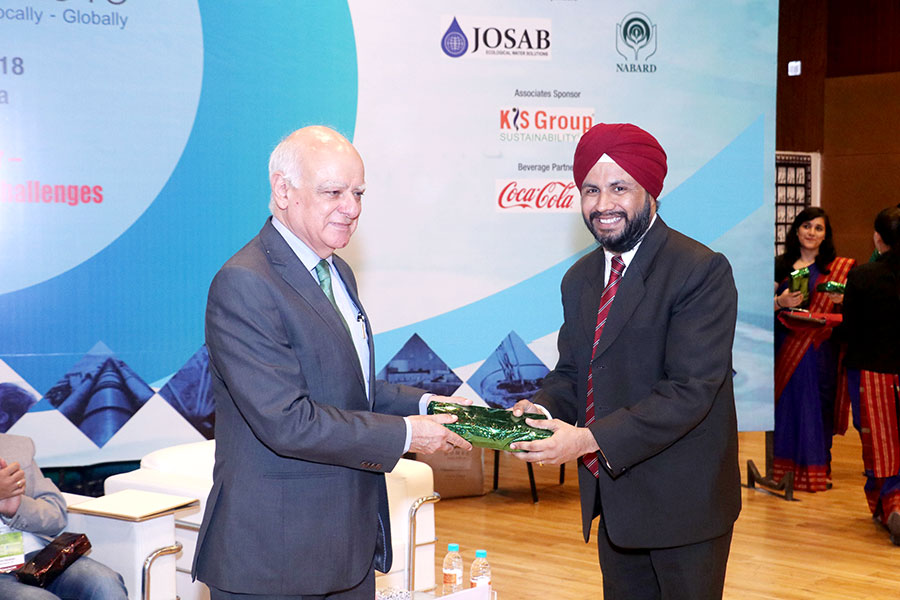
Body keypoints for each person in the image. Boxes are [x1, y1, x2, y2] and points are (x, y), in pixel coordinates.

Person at [192, 126, 472, 600]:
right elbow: (287, 421)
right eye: (333, 192)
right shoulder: (244, 283)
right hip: (274, 559)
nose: (352, 208)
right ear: (283, 191)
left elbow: (347, 387)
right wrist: (408, 435)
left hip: (347, 552)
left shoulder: (336, 270)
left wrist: (430, 406)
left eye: (358, 193)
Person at [509, 123, 741, 600]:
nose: (602, 204)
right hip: (615, 504)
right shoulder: (579, 278)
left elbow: (689, 390)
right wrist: (541, 410)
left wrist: (586, 440)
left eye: (619, 188)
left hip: (685, 506)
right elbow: (574, 372)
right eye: (590, 190)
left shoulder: (699, 270)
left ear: (651, 191)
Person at [772, 207, 855, 492]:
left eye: (818, 228)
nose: (811, 232)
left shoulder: (838, 269)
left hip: (822, 349)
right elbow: (759, 307)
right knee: (788, 407)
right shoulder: (780, 265)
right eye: (806, 226)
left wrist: (842, 301)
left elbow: (854, 312)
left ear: (825, 235)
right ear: (796, 231)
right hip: (787, 346)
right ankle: (783, 471)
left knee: (820, 405)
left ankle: (820, 468)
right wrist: (780, 302)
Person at [833, 206, 900, 544]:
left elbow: (850, 330)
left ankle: (890, 505)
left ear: (877, 238)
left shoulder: (862, 276)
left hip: (871, 371)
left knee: (880, 444)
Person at [0, 433, 129, 600]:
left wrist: (18, 508)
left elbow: (56, 515)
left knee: (104, 583)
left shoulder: (15, 446)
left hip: (36, 557)